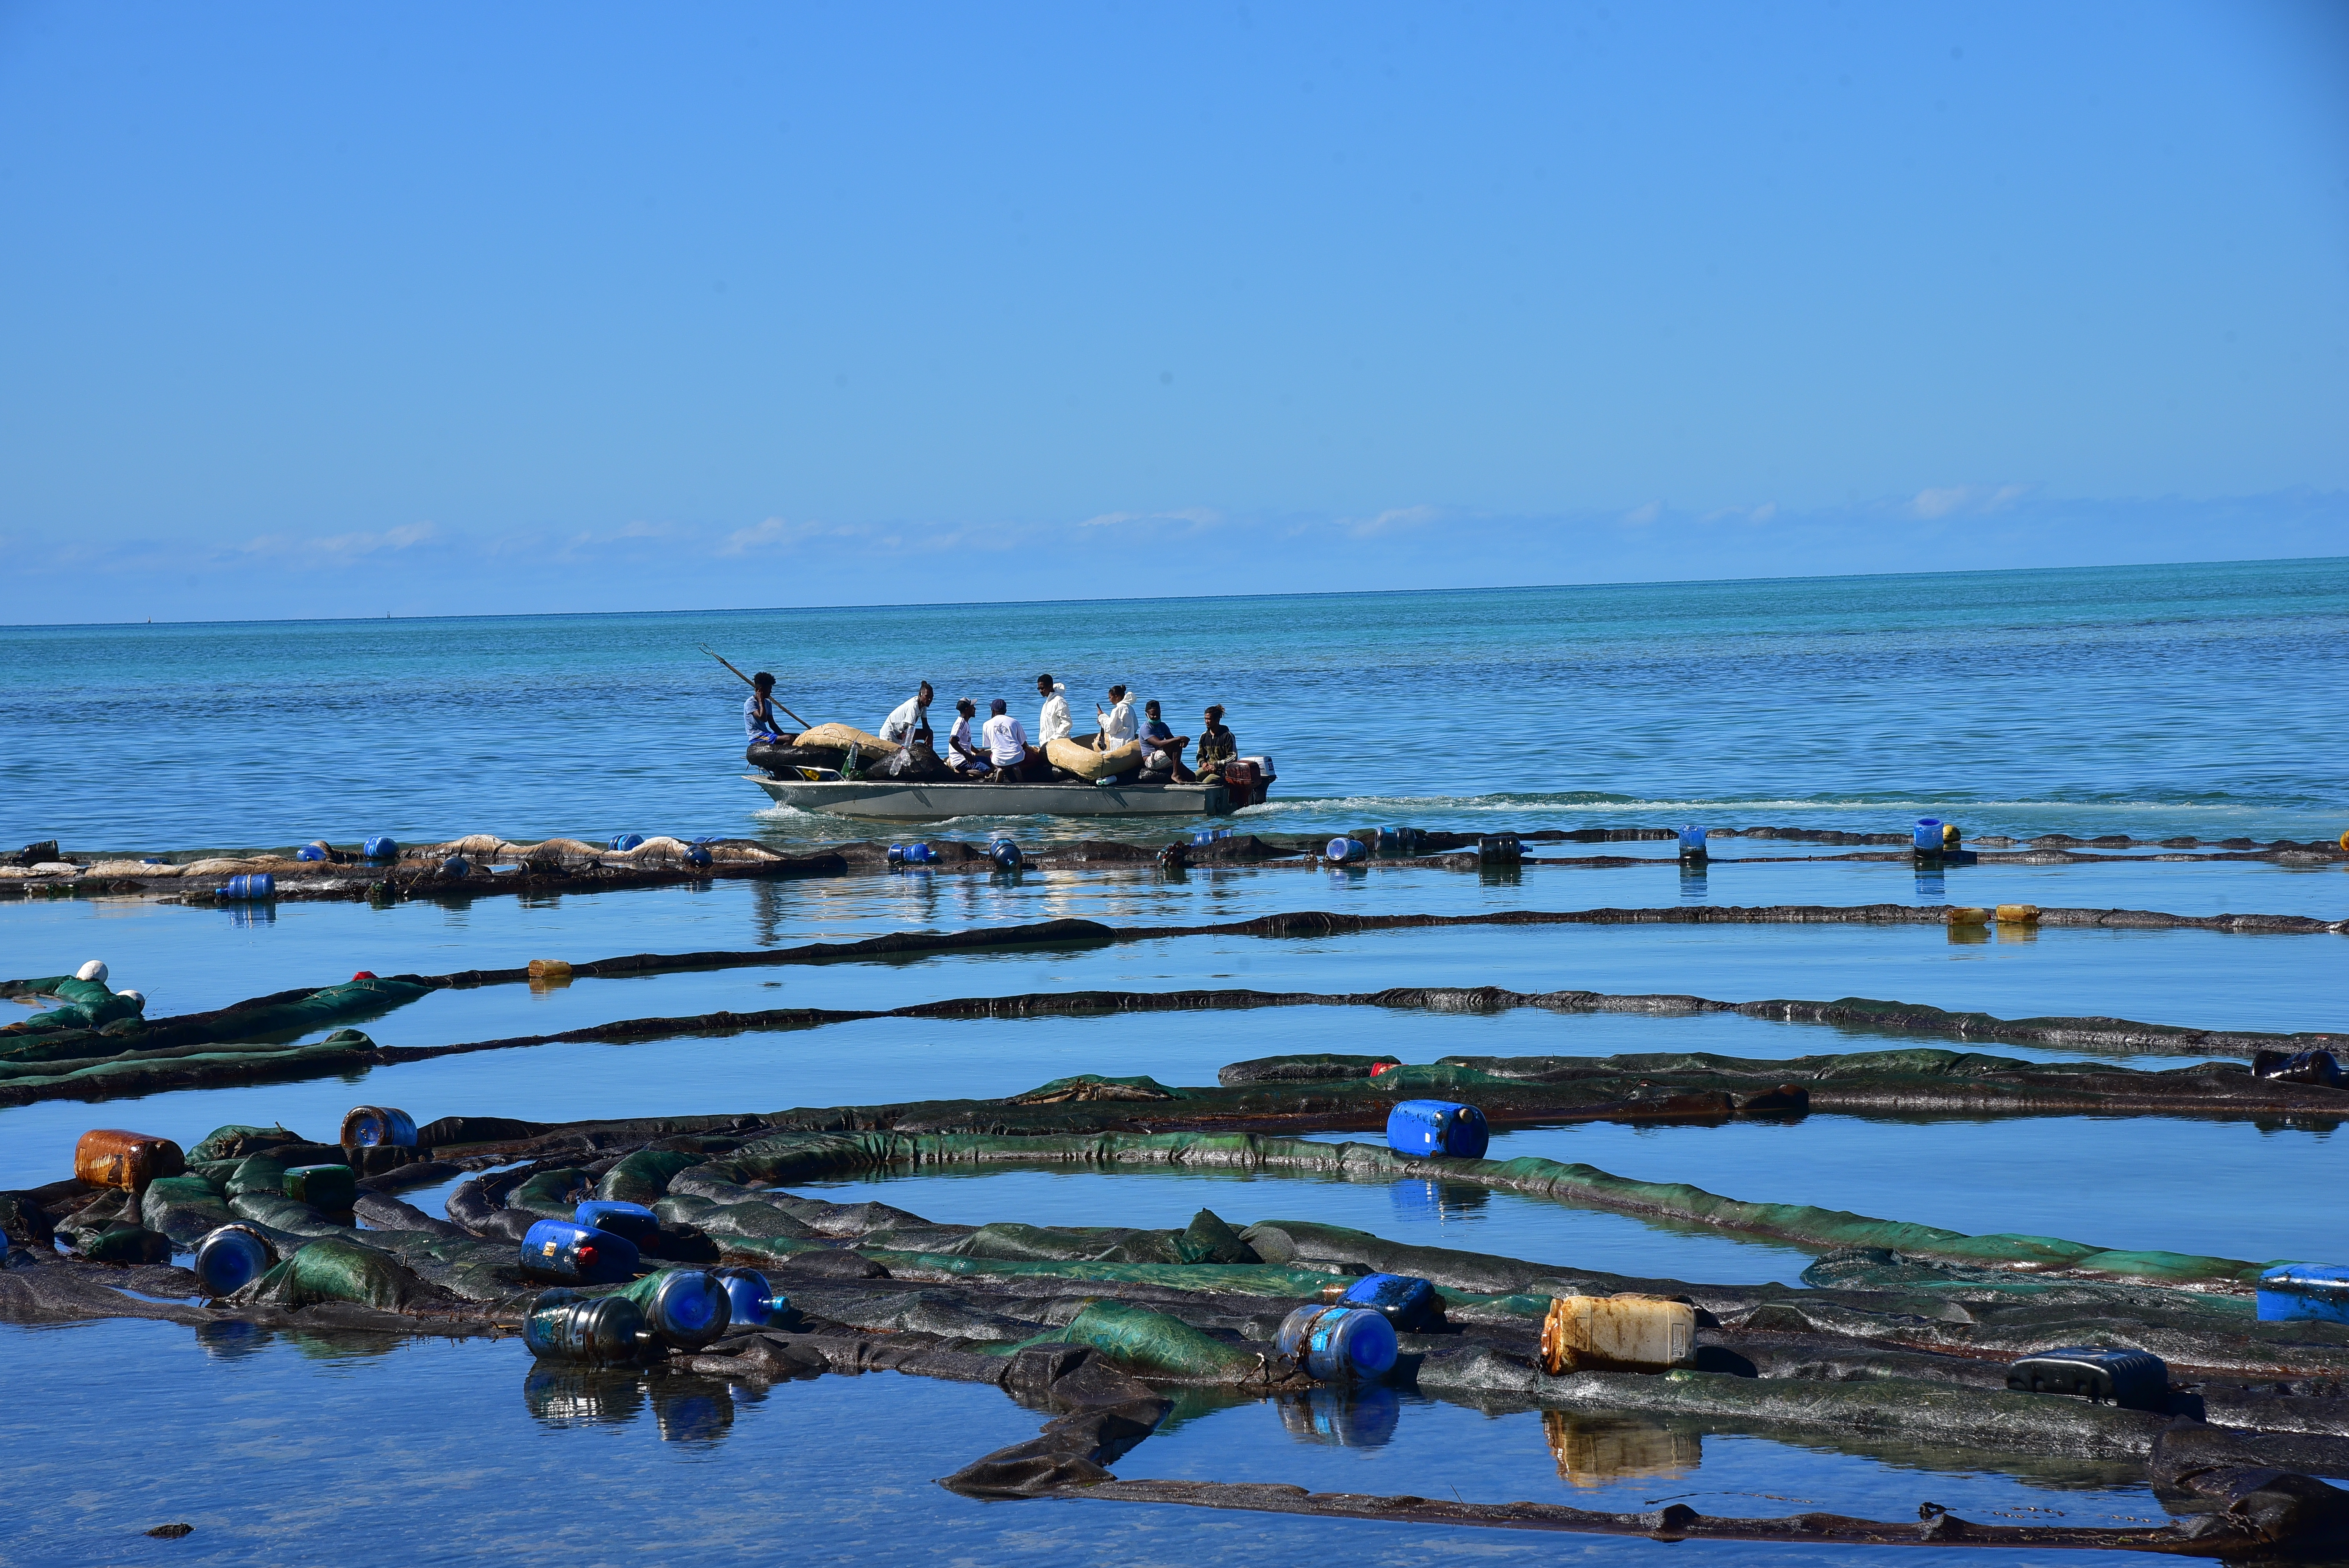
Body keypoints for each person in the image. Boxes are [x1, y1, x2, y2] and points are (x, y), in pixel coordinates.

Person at [1136, 700, 1194, 782]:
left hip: (1162, 756)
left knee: (1192, 776)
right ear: (1147, 715)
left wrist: (1183, 742)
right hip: (1151, 759)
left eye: (1158, 714)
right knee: (1176, 744)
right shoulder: (1146, 728)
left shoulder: (1163, 726)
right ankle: (1175, 774)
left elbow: (1173, 740)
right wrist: (1179, 739)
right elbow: (1159, 744)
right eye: (1153, 715)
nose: (1156, 717)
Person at [981, 698, 1033, 782]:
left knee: (992, 756)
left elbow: (989, 745)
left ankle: (999, 769)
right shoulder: (1015, 722)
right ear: (1006, 710)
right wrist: (1029, 749)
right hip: (1017, 759)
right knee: (1035, 760)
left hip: (998, 761)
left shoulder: (986, 725)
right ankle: (1017, 768)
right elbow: (1023, 743)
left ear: (993, 711)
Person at [943, 698, 989, 777]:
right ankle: (966, 772)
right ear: (967, 710)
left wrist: (977, 752)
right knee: (987, 770)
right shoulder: (961, 723)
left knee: (990, 762)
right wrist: (966, 755)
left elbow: (966, 743)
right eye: (973, 707)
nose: (975, 709)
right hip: (961, 761)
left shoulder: (965, 723)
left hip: (967, 758)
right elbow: (952, 740)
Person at [879, 683, 933, 749]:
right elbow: (911, 730)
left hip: (901, 734)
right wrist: (909, 748)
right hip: (890, 734)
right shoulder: (913, 706)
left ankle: (930, 754)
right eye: (927, 696)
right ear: (920, 695)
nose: (930, 700)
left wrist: (930, 734)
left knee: (929, 733)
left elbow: (925, 725)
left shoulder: (923, 706)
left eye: (931, 697)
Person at [1195, 704, 1237, 777]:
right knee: (1194, 777)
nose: (1207, 722)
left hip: (1224, 770)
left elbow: (1233, 756)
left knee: (1207, 782)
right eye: (1206, 719)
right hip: (1208, 768)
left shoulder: (1227, 736)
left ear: (1217, 720)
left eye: (1209, 719)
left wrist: (1217, 765)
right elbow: (1200, 755)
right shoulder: (1204, 737)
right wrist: (1203, 763)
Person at [1095, 685, 1139, 753]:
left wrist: (1102, 716)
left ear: (1117, 697)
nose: (1110, 700)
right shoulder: (1130, 708)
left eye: (1110, 697)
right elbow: (1136, 726)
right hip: (1129, 744)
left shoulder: (1119, 709)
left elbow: (1111, 729)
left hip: (1120, 746)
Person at [744, 672, 786, 740]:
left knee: (795, 737)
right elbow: (763, 718)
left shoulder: (768, 703)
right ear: (761, 689)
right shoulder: (750, 703)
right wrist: (760, 701)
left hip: (766, 734)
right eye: (769, 689)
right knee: (788, 739)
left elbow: (772, 725)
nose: (771, 692)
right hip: (756, 736)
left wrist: (784, 735)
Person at [1035, 674, 1072, 747]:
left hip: (1059, 744)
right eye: (1039, 689)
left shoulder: (1059, 701)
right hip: (1046, 745)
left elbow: (1067, 723)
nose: (1040, 691)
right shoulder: (1047, 704)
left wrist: (1054, 739)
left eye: (1042, 688)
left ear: (1050, 687)